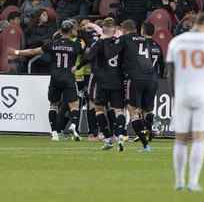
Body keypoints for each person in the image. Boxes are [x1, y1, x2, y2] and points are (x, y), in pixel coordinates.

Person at [166, 13, 204, 191]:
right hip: (203, 95)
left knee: (181, 139)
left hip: (182, 93)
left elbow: (170, 70)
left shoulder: (176, 41)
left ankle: (179, 181)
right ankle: (193, 181)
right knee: (199, 139)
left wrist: (175, 93)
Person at [9, 20, 84, 141]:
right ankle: (74, 125)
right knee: (74, 105)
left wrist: (17, 52)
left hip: (55, 77)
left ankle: (54, 132)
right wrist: (77, 67)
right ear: (71, 31)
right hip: (68, 77)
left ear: (60, 30)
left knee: (53, 105)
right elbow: (86, 53)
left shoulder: (52, 44)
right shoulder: (76, 45)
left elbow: (33, 51)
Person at [110, 19, 164, 152]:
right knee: (147, 110)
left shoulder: (124, 39)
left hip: (134, 78)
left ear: (124, 29)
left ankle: (146, 144)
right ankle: (148, 131)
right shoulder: (146, 40)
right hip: (151, 78)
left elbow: (112, 54)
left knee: (133, 110)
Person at [76, 17, 127, 151]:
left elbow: (88, 57)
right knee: (118, 110)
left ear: (103, 29)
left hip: (102, 81)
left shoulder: (99, 43)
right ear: (115, 29)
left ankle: (108, 138)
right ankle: (120, 135)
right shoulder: (121, 43)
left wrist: (77, 67)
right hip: (117, 80)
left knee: (98, 109)